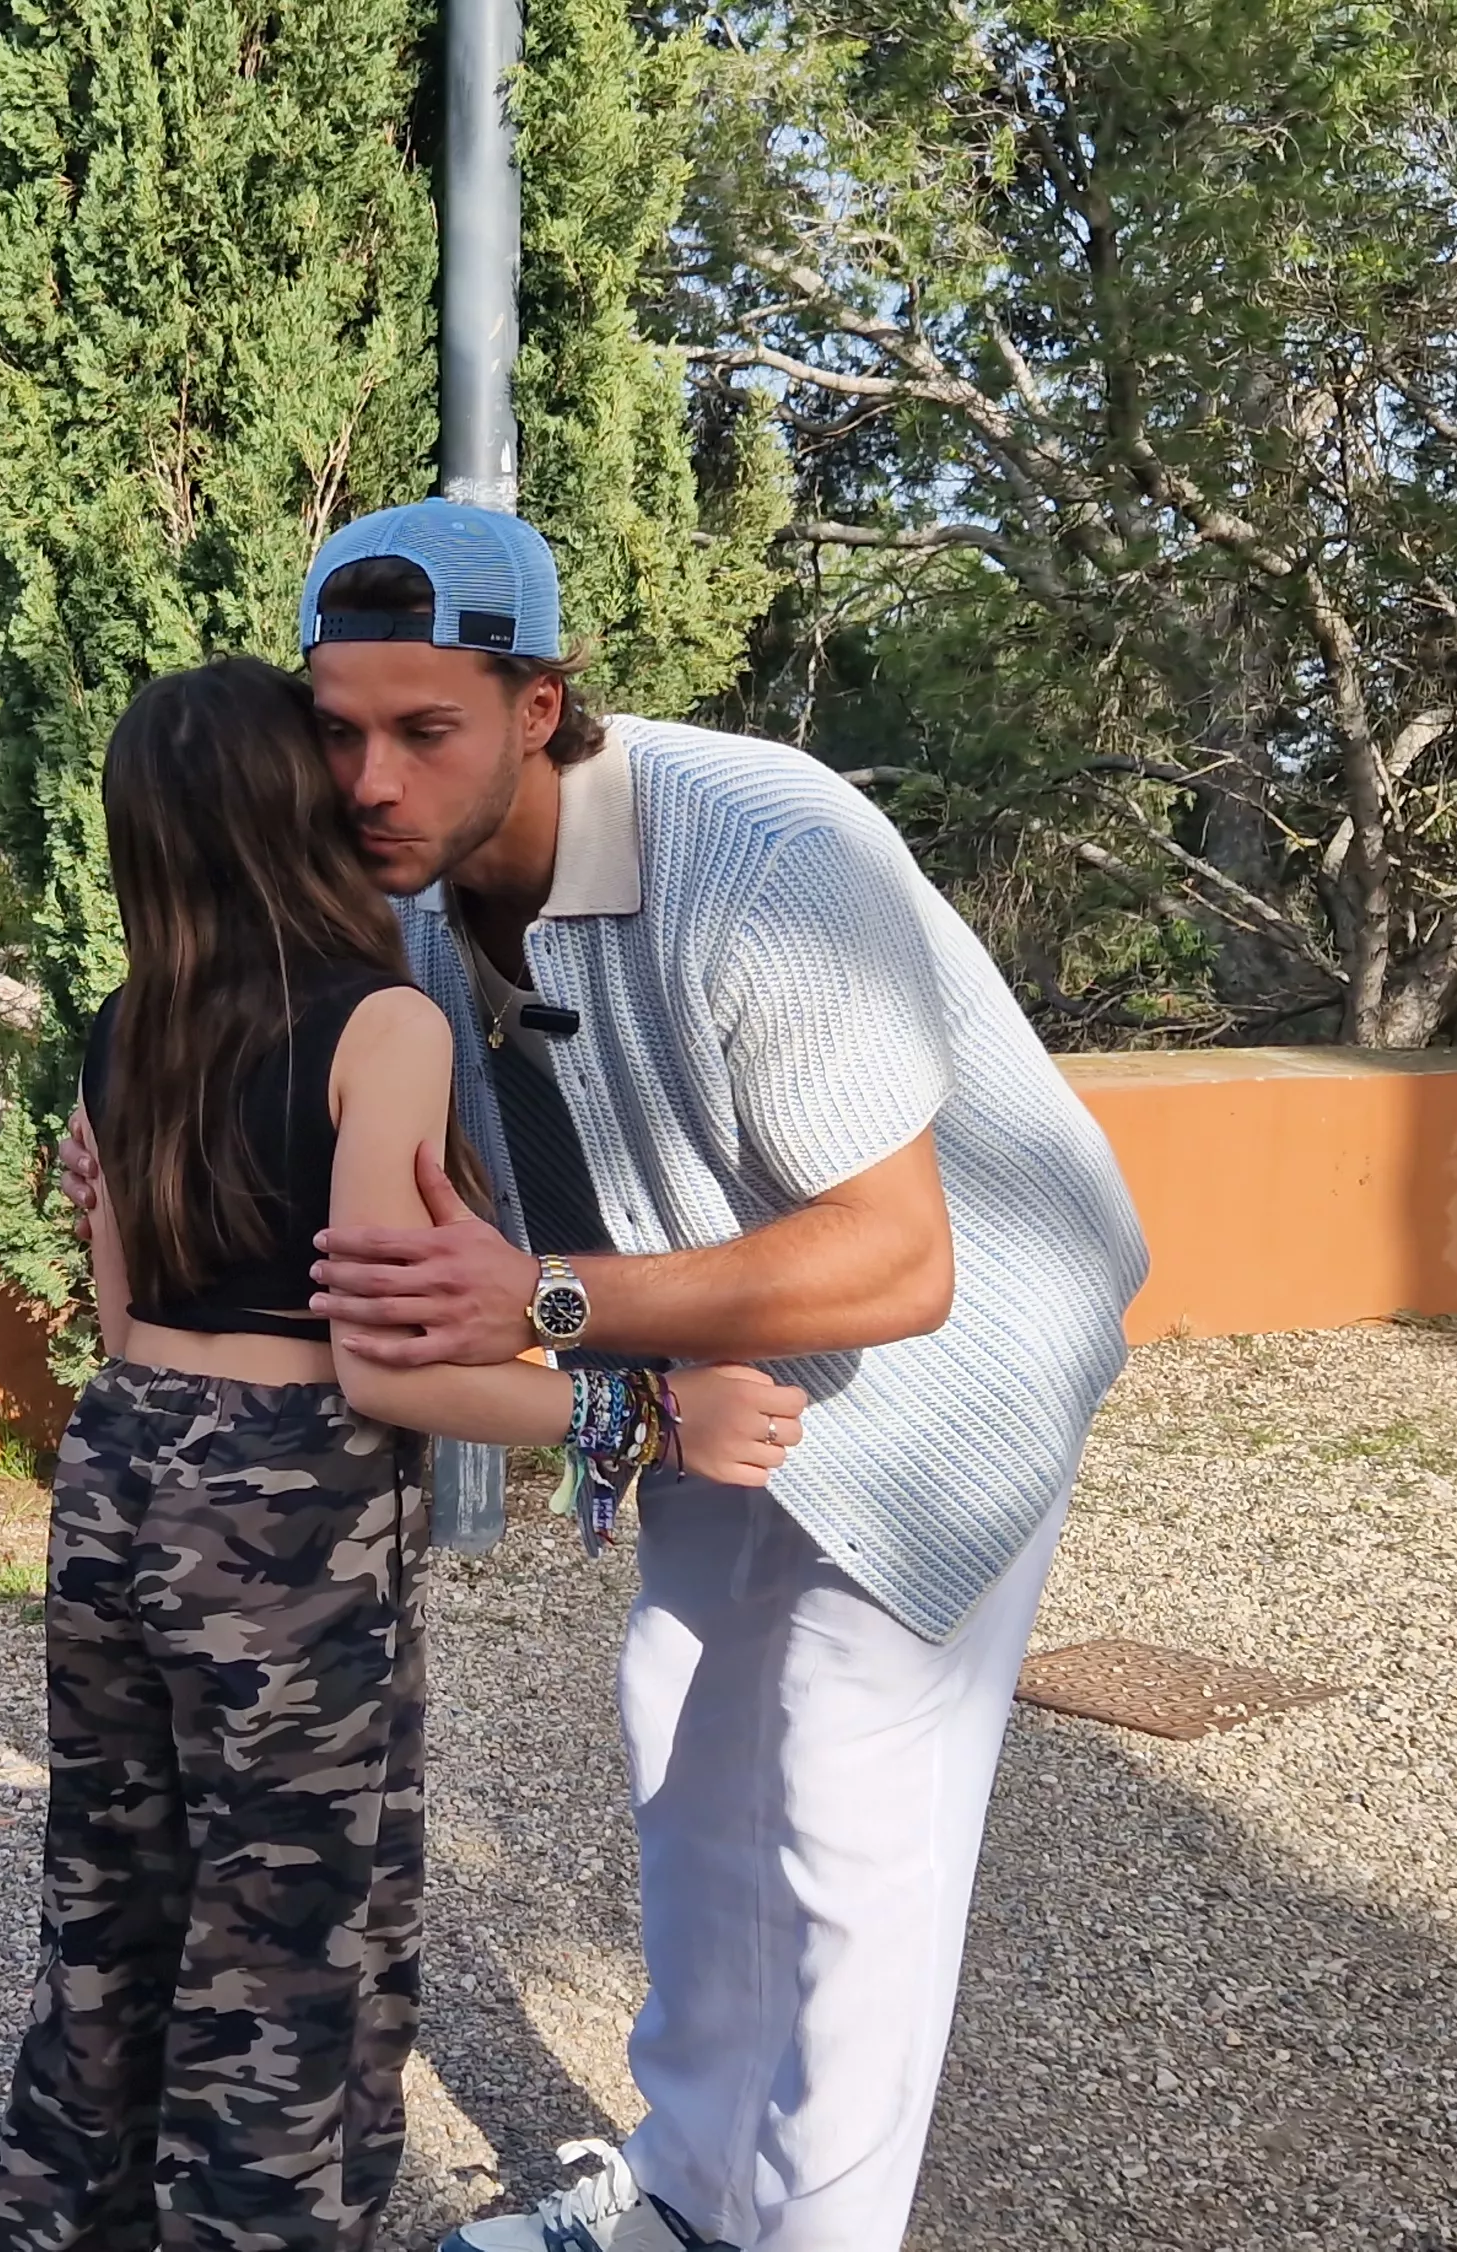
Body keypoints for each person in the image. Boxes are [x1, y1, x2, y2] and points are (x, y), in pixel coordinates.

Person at [74, 501, 1149, 2252]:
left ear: (543, 705)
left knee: (843, 1800)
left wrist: (554, 1303)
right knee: (686, 1745)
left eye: (427, 732)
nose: (369, 781)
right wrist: (148, 1155)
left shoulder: (763, 854)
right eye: (338, 730)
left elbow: (903, 1255)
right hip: (701, 1355)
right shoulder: (404, 907)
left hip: (947, 1364)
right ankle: (689, 2195)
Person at [0, 656, 812, 2252]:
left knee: (114, 1908)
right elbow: (391, 1358)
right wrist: (642, 1416)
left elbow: (121, 1316)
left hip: (121, 1473)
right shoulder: (382, 1022)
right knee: (286, 1939)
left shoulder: (126, 1025)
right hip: (282, 1515)